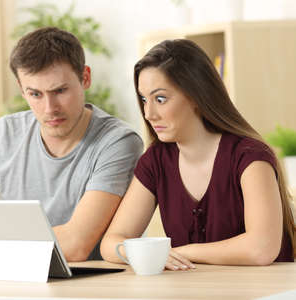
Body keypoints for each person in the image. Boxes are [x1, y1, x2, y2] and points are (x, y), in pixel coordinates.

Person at [0, 27, 143, 261]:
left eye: (60, 91)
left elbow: (76, 245)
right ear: (21, 89)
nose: (50, 108)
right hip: (12, 278)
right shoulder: (1, 136)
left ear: (85, 78)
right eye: (35, 94)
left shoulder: (118, 142)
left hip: (89, 287)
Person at [100, 39, 295, 269]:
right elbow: (111, 242)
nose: (149, 113)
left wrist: (179, 253)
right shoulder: (156, 160)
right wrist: (137, 254)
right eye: (144, 99)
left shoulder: (250, 157)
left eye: (160, 99)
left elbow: (261, 249)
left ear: (196, 96)